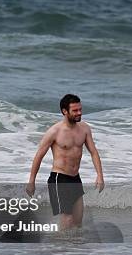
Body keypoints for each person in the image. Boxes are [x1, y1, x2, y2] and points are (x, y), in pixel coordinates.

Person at [26, 94, 104, 230]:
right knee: (67, 218)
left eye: (80, 109)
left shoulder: (84, 129)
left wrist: (100, 176)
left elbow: (93, 152)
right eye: (75, 110)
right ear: (64, 111)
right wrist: (31, 181)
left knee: (78, 221)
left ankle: (71, 247)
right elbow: (39, 156)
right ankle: (61, 246)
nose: (79, 113)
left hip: (75, 178)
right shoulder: (54, 132)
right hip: (59, 178)